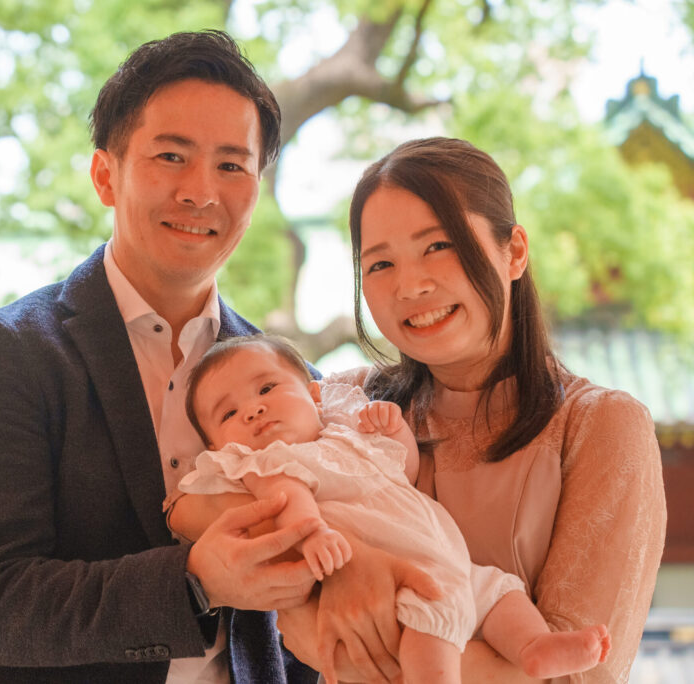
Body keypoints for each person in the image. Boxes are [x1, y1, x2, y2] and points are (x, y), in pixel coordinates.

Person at [0, 30, 434, 684]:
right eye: (172, 156)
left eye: (231, 165)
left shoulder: (290, 384)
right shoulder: (8, 353)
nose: (201, 192)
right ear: (105, 174)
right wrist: (196, 581)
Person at [170, 137, 666, 683]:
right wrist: (356, 560)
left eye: (438, 246)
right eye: (380, 263)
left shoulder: (600, 425)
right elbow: (208, 500)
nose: (411, 286)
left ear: (515, 252)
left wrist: (371, 658)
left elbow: (583, 676)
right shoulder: (344, 400)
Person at [174, 333, 612, 683]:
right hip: (401, 577)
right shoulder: (270, 463)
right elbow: (288, 500)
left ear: (315, 395)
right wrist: (316, 533)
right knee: (428, 631)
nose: (254, 410)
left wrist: (396, 431)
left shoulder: (347, 430)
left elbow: (404, 469)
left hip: (450, 559)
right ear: (216, 444)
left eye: (266, 388)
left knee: (500, 592)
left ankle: (533, 648)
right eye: (229, 413)